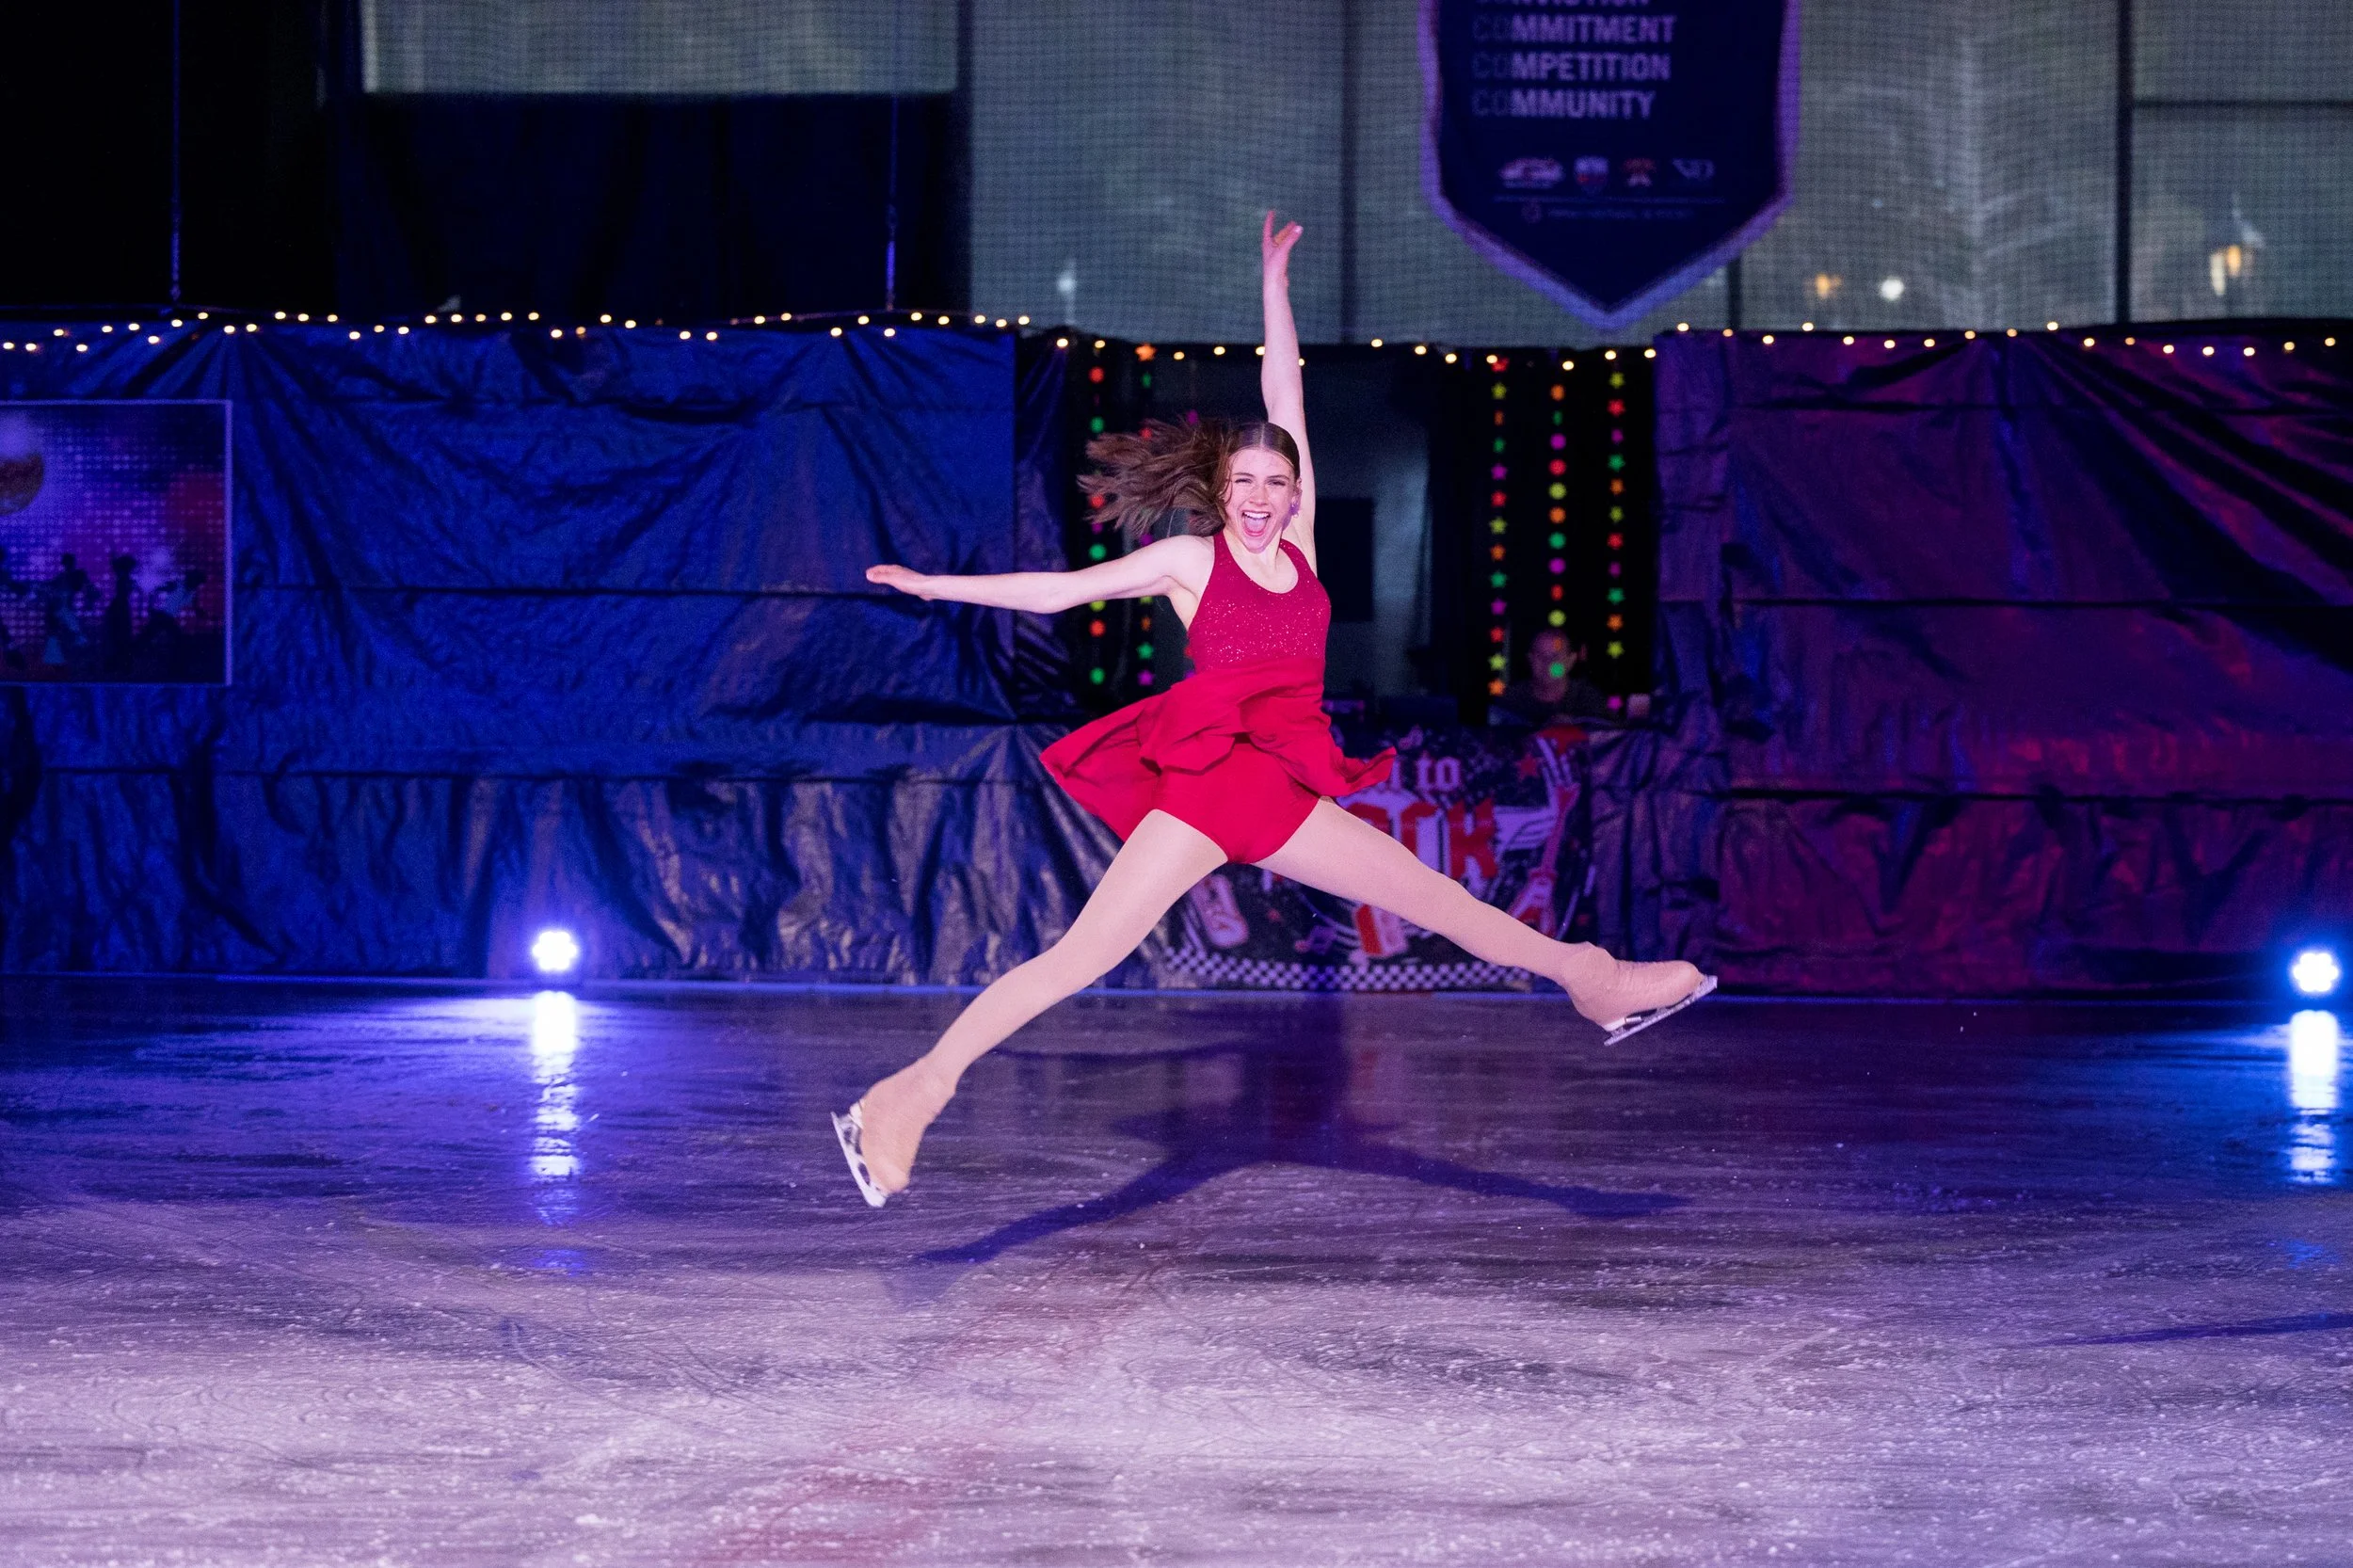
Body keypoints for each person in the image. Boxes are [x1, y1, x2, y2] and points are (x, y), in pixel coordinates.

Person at [836, 214, 1716, 1207]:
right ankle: (908, 1095)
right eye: (1244, 481)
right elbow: (1058, 591)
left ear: (1295, 493)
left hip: (1283, 792)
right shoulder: (1189, 560)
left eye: (1276, 480)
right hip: (1205, 791)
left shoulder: (1301, 548)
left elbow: (1284, 391)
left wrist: (1274, 286)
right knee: (1079, 957)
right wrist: (937, 587)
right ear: (1220, 492)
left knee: (1441, 902)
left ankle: (1592, 980)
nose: (1260, 494)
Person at [1495, 628, 1608, 726]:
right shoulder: (1512, 700)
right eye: (1540, 655)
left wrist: (1575, 726)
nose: (1547, 662)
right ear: (1530, 659)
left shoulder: (1588, 699)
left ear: (1571, 661)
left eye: (1555, 657)